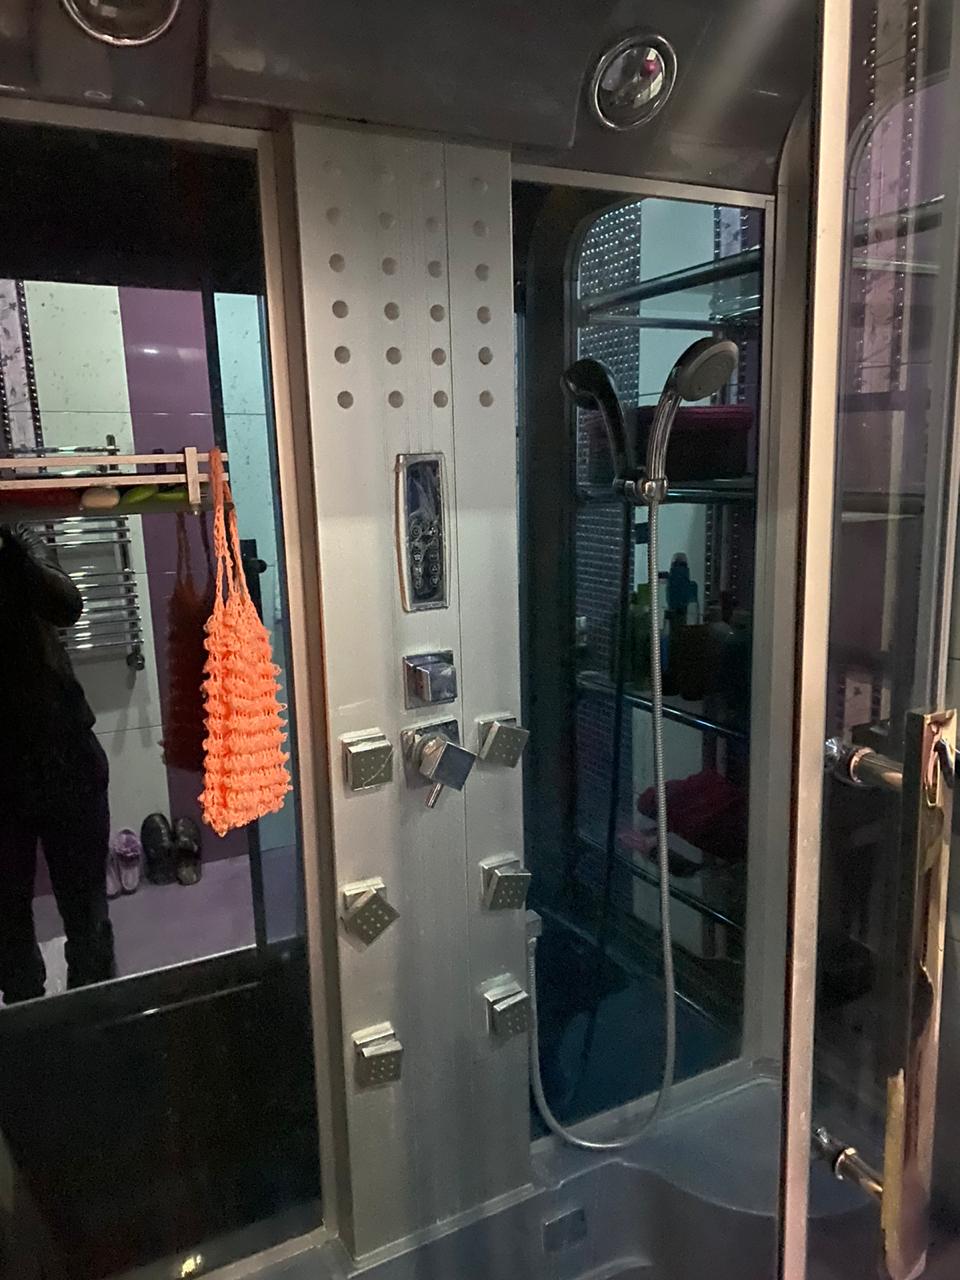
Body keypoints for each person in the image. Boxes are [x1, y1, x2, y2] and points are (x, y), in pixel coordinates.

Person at [0, 522, 115, 1003]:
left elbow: (67, 605)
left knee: (86, 911)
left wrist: (13, 552)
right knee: (8, 927)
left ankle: (98, 1019)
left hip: (65, 752)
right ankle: (32, 1030)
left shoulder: (17, 541)